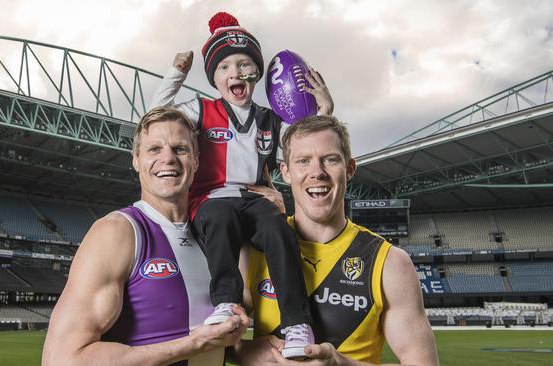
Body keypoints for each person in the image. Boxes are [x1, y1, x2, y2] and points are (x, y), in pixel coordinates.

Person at [150, 11, 335, 359]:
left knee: (280, 231)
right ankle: (227, 303)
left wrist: (323, 110)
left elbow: (307, 144)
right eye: (223, 67)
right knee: (218, 220)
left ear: (256, 74)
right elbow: (155, 118)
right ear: (214, 78)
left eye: (244, 65)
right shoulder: (199, 110)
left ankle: (297, 322)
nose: (234, 72)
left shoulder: (269, 118)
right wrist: (176, 73)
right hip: (211, 198)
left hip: (255, 198)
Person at [42, 107, 250, 366]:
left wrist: (248, 352)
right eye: (154, 149)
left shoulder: (214, 236)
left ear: (196, 160)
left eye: (180, 149)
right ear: (136, 160)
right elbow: (62, 360)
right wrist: (193, 344)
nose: (168, 158)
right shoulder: (117, 232)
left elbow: (203, 333)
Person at [234, 115, 439, 365]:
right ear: (286, 172)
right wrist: (243, 352)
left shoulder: (390, 263)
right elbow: (212, 334)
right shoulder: (255, 246)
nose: (316, 173)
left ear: (349, 168)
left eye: (330, 160)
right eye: (303, 161)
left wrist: (339, 363)